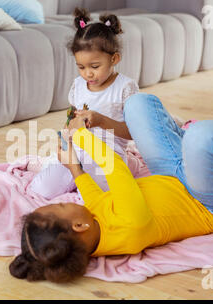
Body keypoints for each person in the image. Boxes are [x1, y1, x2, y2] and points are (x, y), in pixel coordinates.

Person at [9, 71, 213, 283]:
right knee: (201, 138)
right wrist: (80, 136)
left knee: (137, 104)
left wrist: (74, 167)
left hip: (170, 177)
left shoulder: (91, 228)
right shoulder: (130, 228)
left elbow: (92, 196)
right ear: (78, 227)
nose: (72, 201)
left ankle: (184, 140)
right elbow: (114, 167)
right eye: (65, 205)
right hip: (209, 201)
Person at [28, 8, 183, 199]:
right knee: (40, 190)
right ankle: (52, 165)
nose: (88, 74)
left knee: (99, 199)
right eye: (81, 67)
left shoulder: (125, 87)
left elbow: (134, 133)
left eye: (95, 67)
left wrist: (101, 121)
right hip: (77, 150)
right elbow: (71, 117)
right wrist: (65, 142)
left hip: (108, 156)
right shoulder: (78, 85)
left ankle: (129, 166)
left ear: (114, 59)